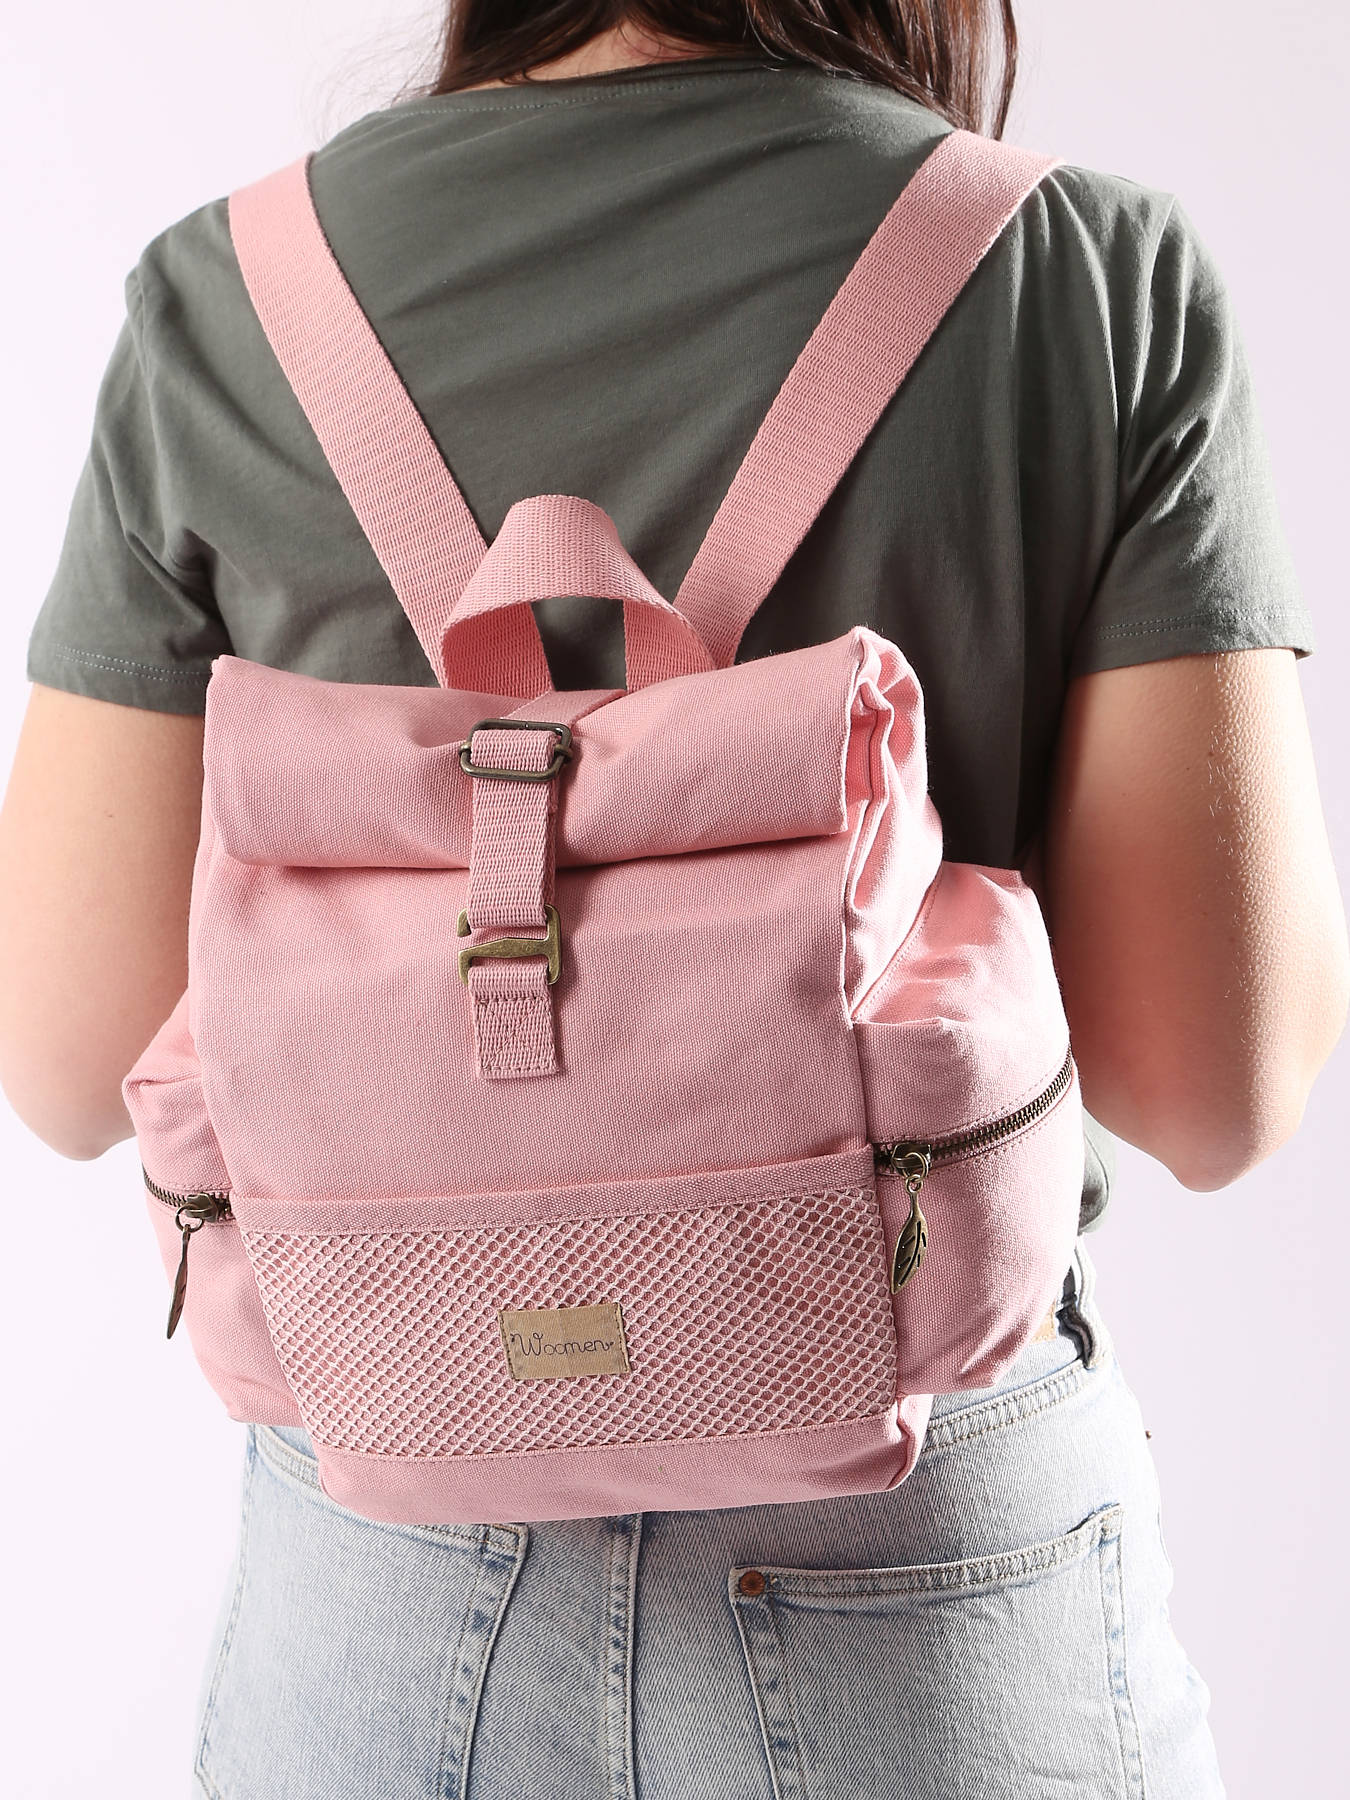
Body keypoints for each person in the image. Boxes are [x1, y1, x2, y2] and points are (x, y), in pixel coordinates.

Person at [2, 5, 1346, 1796]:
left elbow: (68, 1059)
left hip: (386, 1535)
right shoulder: (1080, 276)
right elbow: (1212, 1088)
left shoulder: (229, 292)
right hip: (922, 1567)